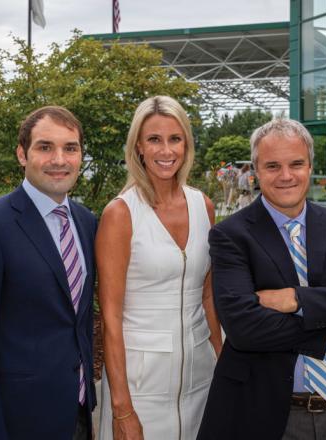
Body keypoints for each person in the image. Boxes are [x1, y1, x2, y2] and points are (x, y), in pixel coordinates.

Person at [197, 118, 326, 440]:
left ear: (310, 166)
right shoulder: (230, 236)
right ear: (256, 171)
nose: (286, 176)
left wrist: (297, 300)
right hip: (265, 413)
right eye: (272, 166)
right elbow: (244, 329)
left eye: (296, 164)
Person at [0, 106, 98, 439]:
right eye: (45, 147)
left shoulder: (87, 222)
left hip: (76, 412)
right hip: (14, 419)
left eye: (70, 148)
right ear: (22, 154)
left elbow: (79, 321)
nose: (59, 159)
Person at [97, 95, 223, 440]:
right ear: (138, 145)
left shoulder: (204, 207)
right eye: (154, 139)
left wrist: (223, 363)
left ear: (186, 144)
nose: (166, 151)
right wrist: (122, 408)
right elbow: (111, 317)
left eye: (175, 139)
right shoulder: (120, 214)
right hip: (140, 388)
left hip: (201, 378)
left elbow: (208, 296)